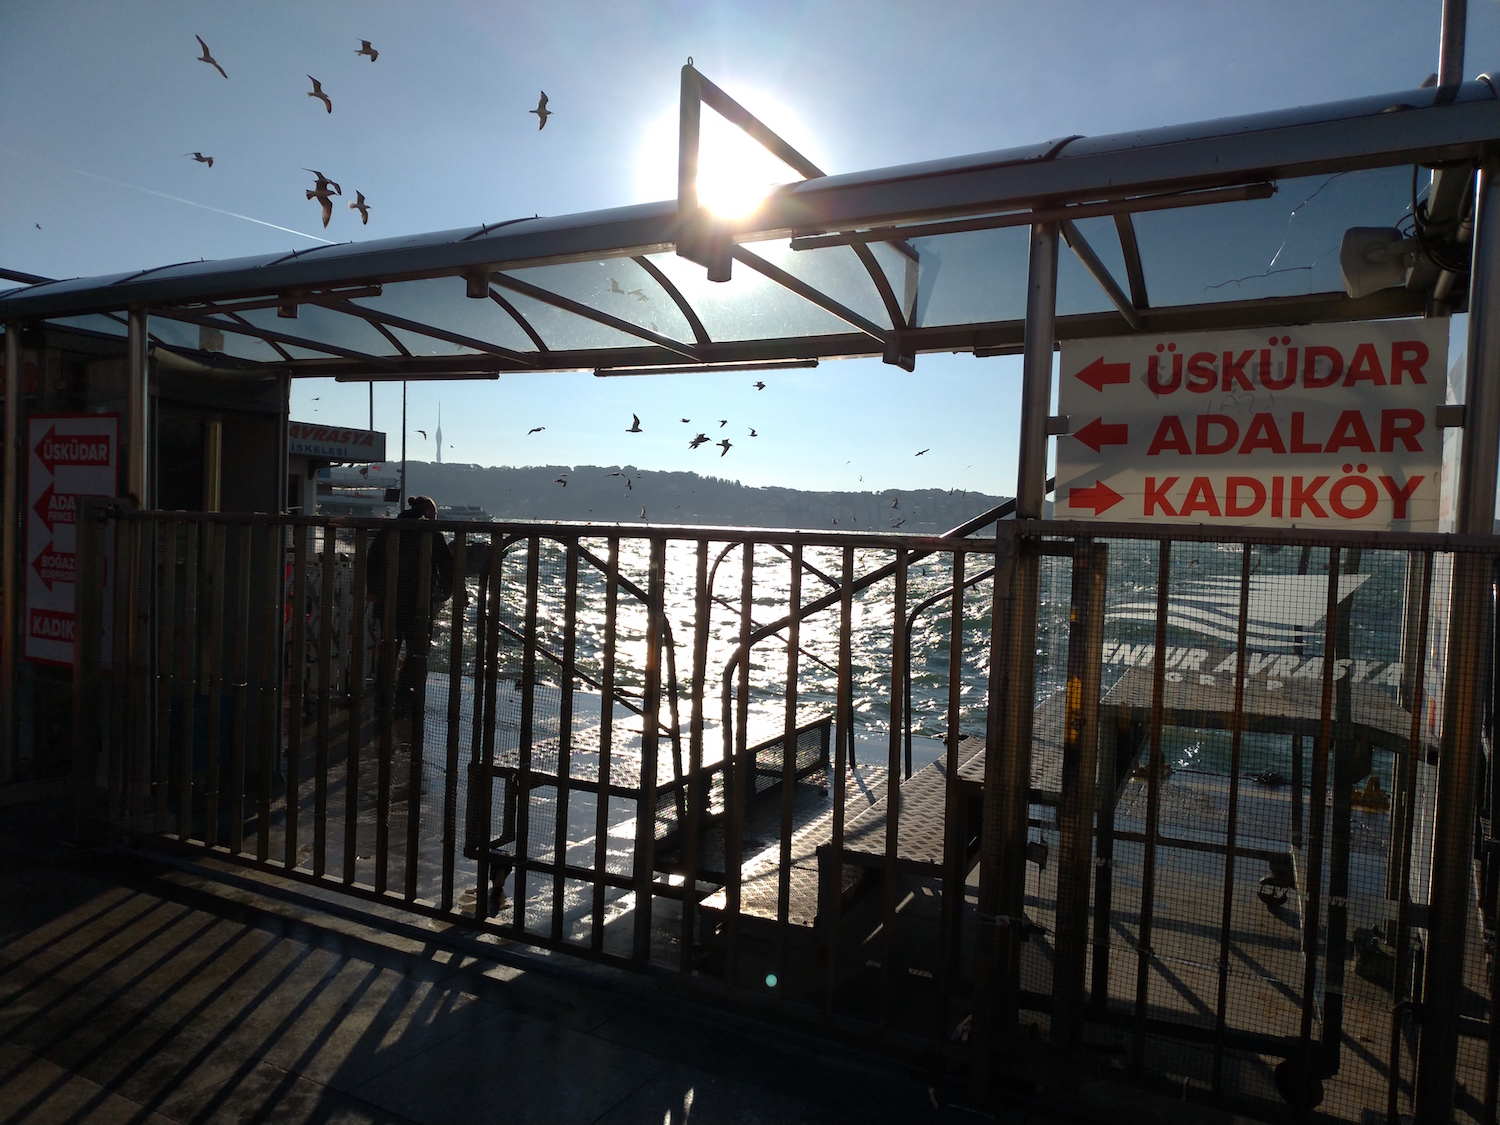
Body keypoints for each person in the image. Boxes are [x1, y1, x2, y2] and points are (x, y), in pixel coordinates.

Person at [368, 495, 454, 717]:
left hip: (389, 598)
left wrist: (373, 590)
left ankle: (383, 692)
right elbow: (447, 565)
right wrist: (448, 592)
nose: (435, 519)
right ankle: (405, 695)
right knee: (417, 650)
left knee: (389, 645)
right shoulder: (432, 534)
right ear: (426, 512)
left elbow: (373, 559)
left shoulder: (389, 529)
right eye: (434, 514)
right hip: (418, 600)